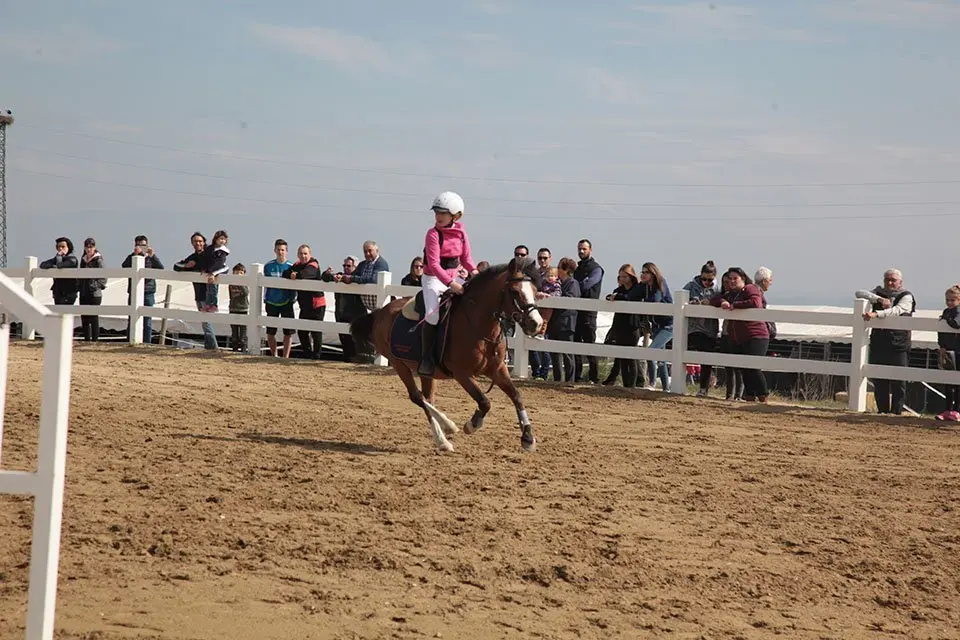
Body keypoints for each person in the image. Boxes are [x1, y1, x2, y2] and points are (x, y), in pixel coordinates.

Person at [419, 191, 478, 376]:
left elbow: (466, 259)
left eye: (443, 213)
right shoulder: (433, 234)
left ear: (456, 216)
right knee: (432, 315)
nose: (438, 216)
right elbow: (434, 265)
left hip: (455, 277)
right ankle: (427, 358)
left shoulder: (461, 233)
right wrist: (452, 284)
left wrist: (476, 274)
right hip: (433, 279)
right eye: (437, 212)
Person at [856, 269, 916, 415]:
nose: (889, 283)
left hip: (899, 344)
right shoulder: (878, 293)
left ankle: (896, 412)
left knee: (898, 380)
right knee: (879, 379)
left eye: (893, 280)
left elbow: (897, 310)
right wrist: (879, 299)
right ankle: (882, 410)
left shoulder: (906, 296)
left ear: (900, 282)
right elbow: (859, 293)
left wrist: (877, 314)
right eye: (887, 279)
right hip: (879, 343)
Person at [710, 267, 770, 402]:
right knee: (743, 367)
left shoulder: (750, 289)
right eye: (730, 279)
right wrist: (723, 301)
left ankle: (763, 395)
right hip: (739, 337)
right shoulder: (731, 294)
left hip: (756, 335)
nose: (732, 281)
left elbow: (756, 302)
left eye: (735, 278)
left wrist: (735, 305)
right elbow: (715, 299)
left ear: (742, 278)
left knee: (753, 366)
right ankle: (750, 395)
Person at [173, 232, 217, 350]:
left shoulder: (210, 255)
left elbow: (220, 266)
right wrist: (186, 266)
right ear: (192, 243)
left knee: (206, 322)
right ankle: (210, 347)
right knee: (205, 321)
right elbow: (176, 266)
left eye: (200, 241)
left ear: (204, 242)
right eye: (195, 241)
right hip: (199, 293)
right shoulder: (192, 257)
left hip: (209, 293)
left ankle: (213, 347)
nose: (198, 243)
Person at [684, 260, 721, 397]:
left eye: (709, 280)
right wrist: (691, 303)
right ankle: (701, 385)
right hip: (694, 328)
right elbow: (680, 300)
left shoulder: (718, 290)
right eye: (703, 279)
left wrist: (711, 303)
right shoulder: (690, 286)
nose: (706, 282)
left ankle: (704, 388)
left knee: (707, 357)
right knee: (703, 351)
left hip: (710, 328)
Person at [284, 244, 326, 359]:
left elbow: (305, 274)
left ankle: (316, 356)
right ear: (298, 255)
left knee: (316, 331)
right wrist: (292, 274)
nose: (303, 256)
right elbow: (285, 273)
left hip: (317, 304)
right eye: (301, 254)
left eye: (305, 253)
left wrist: (295, 275)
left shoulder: (313, 264)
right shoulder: (297, 264)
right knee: (302, 331)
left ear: (310, 254)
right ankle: (308, 355)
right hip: (304, 305)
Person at [122, 235, 164, 343]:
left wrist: (152, 255)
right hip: (134, 291)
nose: (141, 248)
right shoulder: (132, 257)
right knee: (132, 318)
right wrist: (135, 255)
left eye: (144, 245)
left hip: (148, 291)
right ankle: (130, 341)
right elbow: (124, 266)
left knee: (147, 319)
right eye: (139, 245)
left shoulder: (151, 257)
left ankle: (146, 342)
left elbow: (160, 268)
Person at [573, 239, 604, 383]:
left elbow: (587, 285)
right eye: (580, 248)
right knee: (576, 344)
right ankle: (577, 376)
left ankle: (594, 378)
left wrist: (574, 287)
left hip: (589, 313)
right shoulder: (577, 268)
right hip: (576, 311)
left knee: (590, 345)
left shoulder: (596, 269)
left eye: (584, 249)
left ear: (590, 250)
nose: (581, 251)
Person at [263, 239, 296, 358]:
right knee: (270, 331)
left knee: (288, 332)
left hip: (287, 302)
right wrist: (265, 298)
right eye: (278, 249)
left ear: (286, 251)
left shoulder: (291, 266)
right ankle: (274, 355)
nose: (280, 252)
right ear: (274, 250)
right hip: (271, 302)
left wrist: (292, 298)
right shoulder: (268, 266)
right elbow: (265, 284)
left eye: (282, 250)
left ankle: (285, 357)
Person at [936, 285, 960, 421]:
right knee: (948, 381)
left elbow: (956, 324)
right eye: (947, 300)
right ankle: (947, 409)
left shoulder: (958, 312)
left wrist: (945, 319)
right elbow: (941, 330)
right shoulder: (946, 311)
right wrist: (942, 345)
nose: (949, 302)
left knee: (958, 382)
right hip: (949, 349)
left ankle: (957, 410)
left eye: (952, 300)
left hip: (958, 350)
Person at [78, 238, 106, 342]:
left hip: (94, 293)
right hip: (84, 292)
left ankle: (95, 340)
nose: (89, 249)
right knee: (84, 317)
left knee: (94, 316)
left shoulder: (98, 260)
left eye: (91, 247)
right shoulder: (83, 259)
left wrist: (94, 286)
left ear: (94, 247)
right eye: (87, 247)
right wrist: (80, 286)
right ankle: (86, 338)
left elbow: (103, 278)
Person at [39, 237, 79, 305]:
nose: (60, 249)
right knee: (57, 311)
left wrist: (58, 259)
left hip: (69, 292)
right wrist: (53, 266)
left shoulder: (72, 259)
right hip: (58, 291)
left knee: (66, 311)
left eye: (63, 246)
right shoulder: (57, 258)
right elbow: (43, 265)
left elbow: (60, 265)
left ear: (68, 247)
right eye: (58, 247)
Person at [201, 230, 231, 312]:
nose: (222, 241)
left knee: (214, 288)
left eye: (224, 239)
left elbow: (219, 263)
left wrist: (213, 273)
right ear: (215, 239)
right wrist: (204, 268)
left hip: (220, 269)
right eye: (220, 238)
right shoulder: (210, 249)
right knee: (208, 288)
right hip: (211, 270)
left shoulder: (222, 251)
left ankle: (214, 305)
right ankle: (208, 304)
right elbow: (206, 259)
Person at [228, 263, 249, 352]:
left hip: (243, 309)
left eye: (241, 273)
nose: (238, 274)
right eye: (236, 272)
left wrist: (240, 283)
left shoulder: (245, 283)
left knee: (243, 331)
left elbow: (245, 293)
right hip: (233, 308)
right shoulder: (231, 284)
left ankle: (243, 349)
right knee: (234, 331)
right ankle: (235, 348)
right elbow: (230, 295)